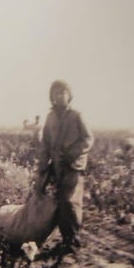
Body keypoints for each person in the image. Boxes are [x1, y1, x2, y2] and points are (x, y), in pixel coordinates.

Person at [36, 80, 94, 251]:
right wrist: (42, 166)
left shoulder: (76, 115)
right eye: (55, 93)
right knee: (61, 201)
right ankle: (66, 238)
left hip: (73, 165)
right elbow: (45, 144)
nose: (59, 96)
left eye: (62, 93)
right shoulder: (50, 117)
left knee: (71, 202)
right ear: (51, 97)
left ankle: (73, 238)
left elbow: (88, 139)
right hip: (57, 166)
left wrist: (73, 153)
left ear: (69, 95)